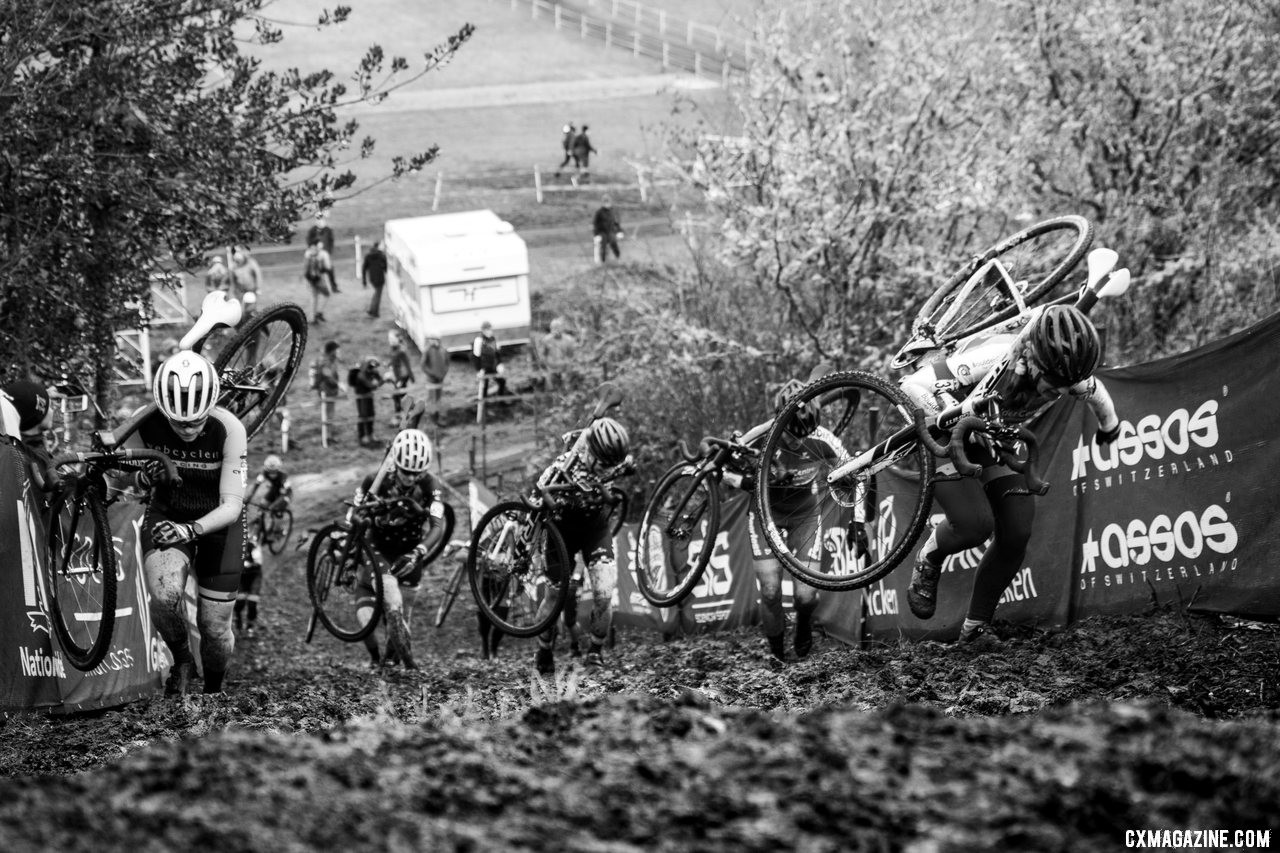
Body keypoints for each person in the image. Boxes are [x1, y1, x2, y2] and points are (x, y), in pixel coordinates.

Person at [898, 304, 1121, 643]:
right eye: (1054, 383)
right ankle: (930, 557)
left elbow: (1097, 395)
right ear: (1030, 359)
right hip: (941, 426)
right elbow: (914, 386)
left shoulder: (1068, 375)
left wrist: (1110, 426)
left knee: (1017, 529)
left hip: (990, 432)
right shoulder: (996, 357)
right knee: (974, 524)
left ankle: (975, 629)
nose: (1060, 392)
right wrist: (953, 417)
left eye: (1066, 385)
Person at [123, 351, 249, 695]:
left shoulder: (229, 428)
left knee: (215, 628)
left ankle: (213, 691)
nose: (189, 429)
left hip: (219, 525)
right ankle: (181, 660)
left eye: (196, 422)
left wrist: (190, 529)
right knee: (163, 598)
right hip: (168, 514)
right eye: (179, 423)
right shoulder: (142, 422)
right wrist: (144, 479)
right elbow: (129, 481)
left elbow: (232, 506)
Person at [750, 379, 851, 661]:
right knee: (770, 590)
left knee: (806, 596)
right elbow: (729, 474)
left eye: (803, 434)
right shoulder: (761, 436)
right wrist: (751, 477)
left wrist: (858, 520)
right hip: (764, 513)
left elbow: (856, 475)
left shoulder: (824, 438)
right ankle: (777, 653)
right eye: (791, 435)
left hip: (805, 514)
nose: (796, 441)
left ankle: (804, 623)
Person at [532, 416, 633, 675]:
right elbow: (534, 502)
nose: (606, 471)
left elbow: (624, 468)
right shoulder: (559, 469)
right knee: (555, 596)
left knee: (604, 592)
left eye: (613, 465)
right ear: (590, 452)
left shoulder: (611, 462)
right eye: (603, 465)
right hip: (561, 532)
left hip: (594, 529)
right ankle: (544, 649)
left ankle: (595, 652)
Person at [351, 429, 448, 669]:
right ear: (396, 464)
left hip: (410, 551)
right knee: (391, 596)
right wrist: (363, 517)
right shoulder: (375, 480)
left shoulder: (431, 485)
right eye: (406, 472)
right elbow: (353, 515)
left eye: (417, 473)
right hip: (378, 548)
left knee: (404, 616)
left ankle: (392, 662)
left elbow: (438, 527)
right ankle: (380, 659)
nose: (410, 478)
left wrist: (419, 552)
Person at [246, 453, 292, 530]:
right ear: (266, 469)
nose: (272, 474)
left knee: (275, 510)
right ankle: (261, 528)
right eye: (269, 471)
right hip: (274, 490)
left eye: (274, 472)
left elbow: (287, 492)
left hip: (285, 494)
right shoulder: (264, 473)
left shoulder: (283, 476)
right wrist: (248, 498)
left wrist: (273, 506)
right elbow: (256, 486)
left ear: (278, 469)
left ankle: (279, 528)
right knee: (262, 506)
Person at [311, 340, 343, 442]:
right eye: (337, 350)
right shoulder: (325, 361)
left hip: (331, 390)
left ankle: (329, 435)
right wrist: (339, 384)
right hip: (326, 390)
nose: (339, 352)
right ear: (332, 351)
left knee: (330, 413)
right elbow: (327, 374)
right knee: (328, 414)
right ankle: (327, 437)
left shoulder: (332, 360)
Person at [351, 356, 384, 446]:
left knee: (371, 415)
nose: (372, 369)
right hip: (361, 398)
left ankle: (370, 435)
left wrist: (377, 376)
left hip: (369, 396)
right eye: (371, 366)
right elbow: (370, 385)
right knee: (363, 416)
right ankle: (362, 437)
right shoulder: (361, 374)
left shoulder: (372, 372)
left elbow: (380, 381)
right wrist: (375, 382)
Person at [470, 321, 507, 398]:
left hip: (493, 367)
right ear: (483, 331)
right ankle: (483, 404)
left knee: (502, 381)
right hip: (484, 369)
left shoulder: (493, 339)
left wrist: (500, 364)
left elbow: (497, 353)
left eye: (491, 329)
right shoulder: (479, 340)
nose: (490, 331)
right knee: (484, 387)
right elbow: (476, 356)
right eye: (488, 330)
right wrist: (479, 370)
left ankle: (500, 400)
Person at [541, 317, 578, 392]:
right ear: (551, 329)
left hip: (564, 368)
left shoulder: (568, 340)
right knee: (551, 389)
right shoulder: (546, 340)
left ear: (562, 328)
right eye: (554, 328)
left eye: (558, 327)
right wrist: (546, 369)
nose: (556, 330)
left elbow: (571, 355)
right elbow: (543, 355)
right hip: (551, 369)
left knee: (566, 389)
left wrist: (567, 367)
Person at [305, 213, 339, 292]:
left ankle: (333, 286)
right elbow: (309, 242)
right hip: (315, 254)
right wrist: (314, 248)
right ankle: (313, 285)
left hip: (325, 253)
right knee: (312, 268)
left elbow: (331, 241)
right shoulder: (312, 230)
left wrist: (329, 251)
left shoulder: (328, 230)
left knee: (330, 269)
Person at [420, 329, 450, 419]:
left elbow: (447, 363)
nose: (433, 341)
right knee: (432, 398)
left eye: (435, 339)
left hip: (440, 379)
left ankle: (438, 415)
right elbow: (423, 365)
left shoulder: (443, 350)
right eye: (431, 339)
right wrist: (432, 374)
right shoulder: (427, 351)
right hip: (431, 380)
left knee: (438, 398)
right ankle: (432, 416)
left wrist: (443, 373)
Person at [302, 240, 333, 325]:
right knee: (327, 294)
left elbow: (305, 268)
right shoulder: (323, 254)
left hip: (310, 279)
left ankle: (313, 318)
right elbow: (328, 267)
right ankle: (319, 312)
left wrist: (306, 280)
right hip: (319, 278)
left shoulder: (307, 253)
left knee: (314, 297)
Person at [229, 246, 263, 321]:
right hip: (240, 292)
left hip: (251, 291)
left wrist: (258, 288)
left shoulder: (251, 263)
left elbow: (258, 275)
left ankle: (256, 326)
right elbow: (232, 281)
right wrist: (234, 292)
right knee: (241, 312)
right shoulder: (233, 267)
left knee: (251, 310)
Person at [387, 331, 415, 415]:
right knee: (398, 393)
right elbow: (393, 360)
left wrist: (410, 376)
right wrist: (389, 364)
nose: (390, 342)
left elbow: (406, 364)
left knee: (399, 394)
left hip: (401, 375)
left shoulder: (401, 351)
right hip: (397, 375)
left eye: (392, 340)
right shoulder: (394, 349)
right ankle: (402, 410)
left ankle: (403, 411)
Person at [592, 196, 623, 263]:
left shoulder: (613, 211)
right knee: (603, 246)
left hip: (610, 231)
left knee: (614, 243)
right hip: (602, 232)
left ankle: (618, 258)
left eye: (608, 202)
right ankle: (602, 261)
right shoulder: (599, 212)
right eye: (605, 202)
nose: (607, 204)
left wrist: (619, 231)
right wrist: (596, 234)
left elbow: (616, 223)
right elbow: (595, 224)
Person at [362, 240, 388, 319]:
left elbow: (364, 268)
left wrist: (364, 280)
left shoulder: (368, 255)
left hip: (372, 278)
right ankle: (374, 312)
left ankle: (372, 309)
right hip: (380, 278)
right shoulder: (381, 255)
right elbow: (385, 267)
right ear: (379, 246)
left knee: (376, 293)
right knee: (378, 294)